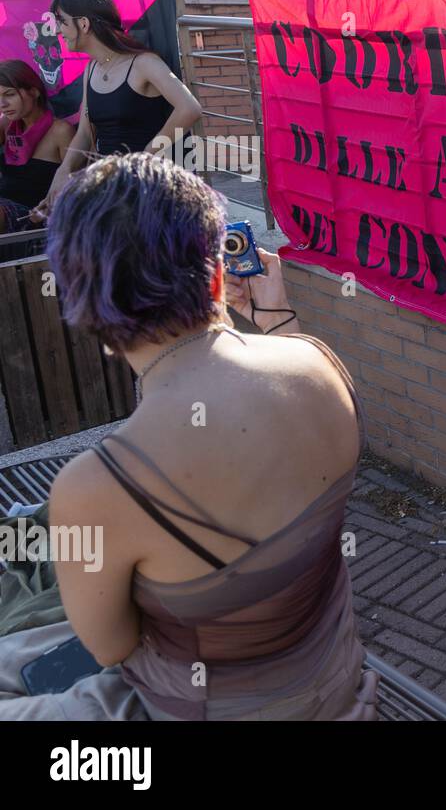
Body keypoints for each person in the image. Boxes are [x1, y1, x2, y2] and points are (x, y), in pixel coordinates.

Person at [0, 152, 378, 720]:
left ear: (83, 307)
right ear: (218, 270)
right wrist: (273, 318)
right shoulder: (321, 366)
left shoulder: (101, 482)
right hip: (333, 679)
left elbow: (112, 648)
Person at [29, 0, 201, 224]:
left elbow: (190, 109)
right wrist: (63, 171)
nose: (58, 31)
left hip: (148, 187)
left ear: (84, 24)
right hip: (112, 186)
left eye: (62, 22)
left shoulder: (143, 63)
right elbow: (84, 132)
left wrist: (142, 158)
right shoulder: (91, 69)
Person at [0, 59, 73, 233]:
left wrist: (51, 207)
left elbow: (77, 183)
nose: (2, 105)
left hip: (34, 216)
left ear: (34, 92)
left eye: (9, 94)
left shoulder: (60, 131)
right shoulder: (7, 124)